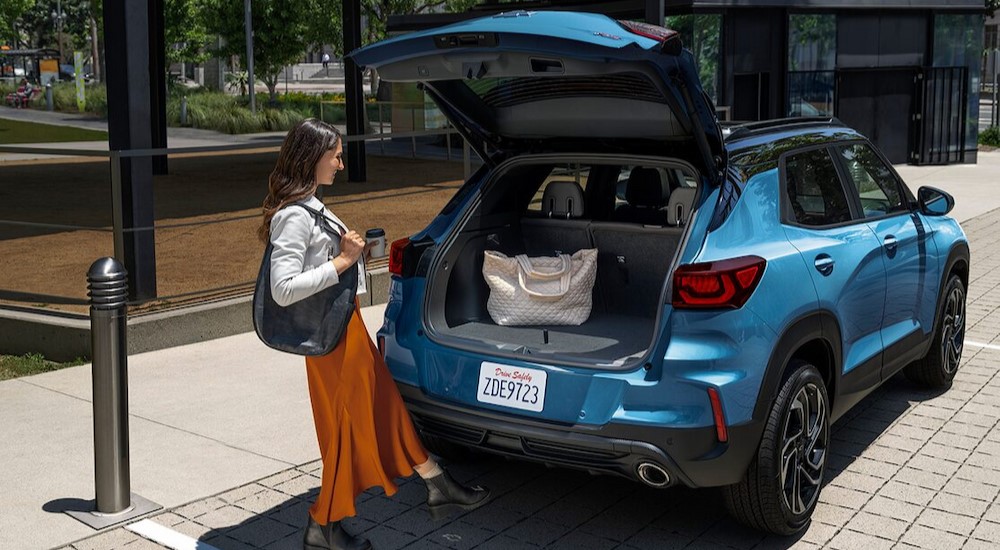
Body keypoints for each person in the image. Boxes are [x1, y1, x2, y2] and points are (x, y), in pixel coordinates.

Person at [258, 119, 490, 550]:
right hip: (330, 343)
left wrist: (355, 255)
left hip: (348, 331)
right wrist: (345, 262)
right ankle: (322, 525)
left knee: (385, 408)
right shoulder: (293, 216)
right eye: (336, 156)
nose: (341, 165)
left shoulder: (310, 204)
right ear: (312, 158)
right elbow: (283, 288)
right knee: (346, 430)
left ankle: (436, 481)